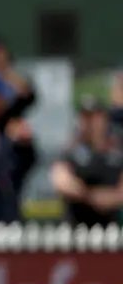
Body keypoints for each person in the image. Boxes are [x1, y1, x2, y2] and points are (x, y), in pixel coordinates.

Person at [51, 97, 123, 227]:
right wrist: (90, 195)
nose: (89, 123)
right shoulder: (71, 151)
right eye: (85, 118)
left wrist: (107, 198)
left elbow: (120, 194)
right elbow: (61, 182)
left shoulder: (117, 151)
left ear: (104, 119)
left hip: (110, 229)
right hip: (76, 228)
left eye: (94, 117)